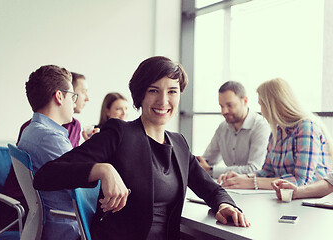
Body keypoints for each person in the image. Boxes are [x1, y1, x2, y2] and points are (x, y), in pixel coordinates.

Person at [33, 56, 250, 240]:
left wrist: (225, 206)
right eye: (154, 90)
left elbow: (212, 189)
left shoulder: (179, 144)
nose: (163, 100)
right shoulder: (119, 134)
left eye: (172, 92)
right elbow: (45, 175)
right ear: (140, 94)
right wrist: (102, 169)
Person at [0, 71, 89, 231]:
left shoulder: (32, 130)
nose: (74, 103)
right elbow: (82, 189)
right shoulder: (50, 138)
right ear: (59, 96)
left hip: (56, 221)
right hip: (69, 226)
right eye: (72, 96)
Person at [219, 78, 333, 189]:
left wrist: (250, 182)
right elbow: (267, 171)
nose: (261, 111)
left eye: (261, 105)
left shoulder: (306, 128)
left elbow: (301, 181)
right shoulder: (277, 132)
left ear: (272, 105)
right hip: (287, 199)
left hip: (314, 201)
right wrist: (242, 177)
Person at [197, 81, 271, 178]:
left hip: (254, 188)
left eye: (229, 105)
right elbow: (206, 161)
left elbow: (255, 169)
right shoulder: (223, 128)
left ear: (244, 101)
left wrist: (211, 170)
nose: (224, 111)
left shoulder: (261, 126)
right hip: (232, 186)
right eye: (221, 106)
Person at [16, 71, 90, 147]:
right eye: (72, 95)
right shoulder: (52, 137)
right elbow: (69, 158)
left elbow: (71, 156)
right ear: (60, 96)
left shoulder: (28, 130)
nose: (87, 99)